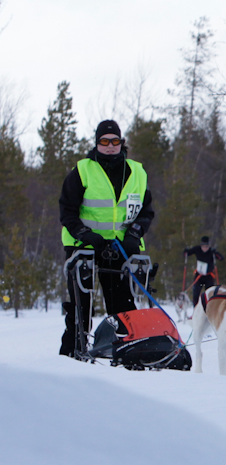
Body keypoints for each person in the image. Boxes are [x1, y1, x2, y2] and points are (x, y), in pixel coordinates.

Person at [59, 119, 155, 357]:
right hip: (85, 246)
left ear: (122, 143)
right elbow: (67, 211)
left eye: (115, 141)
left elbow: (146, 211)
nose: (110, 146)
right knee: (81, 305)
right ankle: (72, 353)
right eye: (104, 141)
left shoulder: (137, 172)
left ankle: (127, 351)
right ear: (97, 143)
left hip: (121, 247)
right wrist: (85, 234)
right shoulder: (83, 170)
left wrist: (134, 234)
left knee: (122, 304)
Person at [184, 236, 224, 306]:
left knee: (209, 294)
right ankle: (196, 310)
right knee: (196, 293)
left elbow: (221, 258)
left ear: (208, 246)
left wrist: (216, 253)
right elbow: (187, 254)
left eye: (206, 247)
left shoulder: (211, 252)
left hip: (209, 276)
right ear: (201, 245)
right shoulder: (197, 249)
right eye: (203, 246)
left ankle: (208, 310)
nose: (205, 248)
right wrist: (186, 251)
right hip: (199, 275)